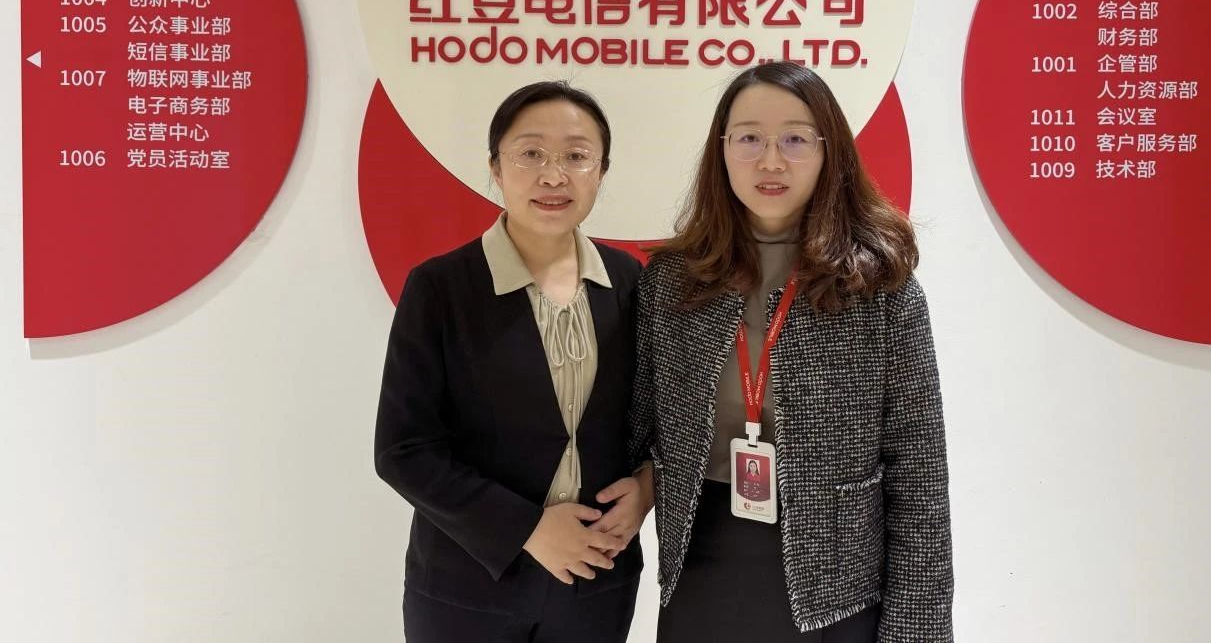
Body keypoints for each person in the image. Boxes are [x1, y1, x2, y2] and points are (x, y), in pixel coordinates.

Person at [629, 62, 953, 642]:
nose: (771, 161)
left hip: (838, 583)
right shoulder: (674, 281)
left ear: (830, 151)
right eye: (749, 138)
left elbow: (919, 480)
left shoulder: (880, 288)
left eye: (796, 139)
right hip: (702, 567)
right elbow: (638, 429)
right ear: (721, 149)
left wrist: (917, 630)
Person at [375, 81, 649, 643]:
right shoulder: (440, 288)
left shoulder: (630, 282)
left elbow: (660, 416)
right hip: (469, 588)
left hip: (597, 583)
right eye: (531, 154)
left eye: (576, 156)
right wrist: (528, 529)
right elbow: (404, 450)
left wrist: (649, 487)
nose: (553, 176)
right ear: (496, 168)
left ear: (601, 171)